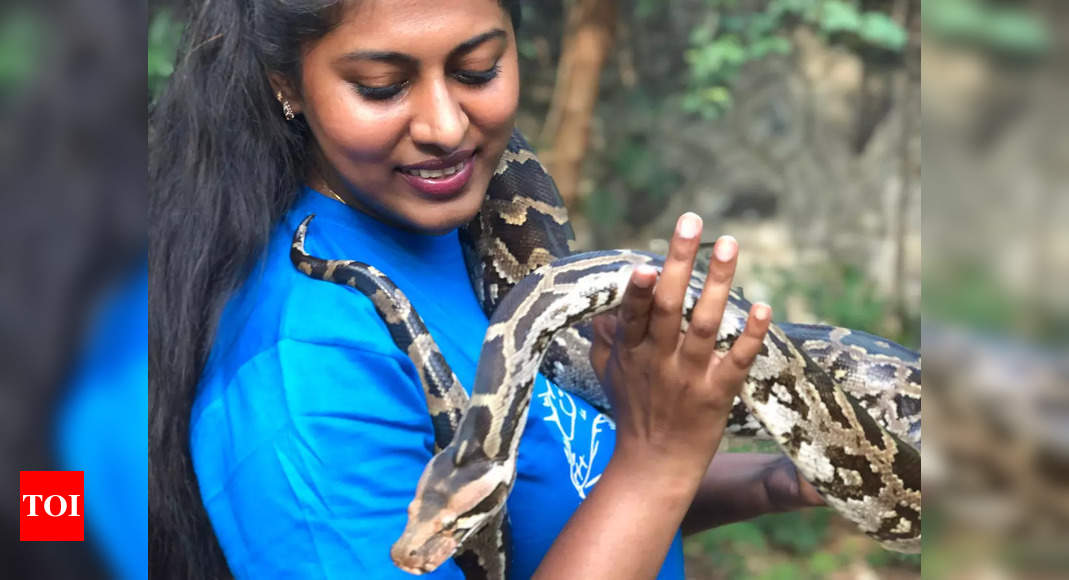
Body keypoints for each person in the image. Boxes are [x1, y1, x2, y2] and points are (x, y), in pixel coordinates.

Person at [149, 1, 825, 578]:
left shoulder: (458, 235)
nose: (445, 127)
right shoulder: (306, 375)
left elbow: (553, 486)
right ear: (285, 86)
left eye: (477, 70)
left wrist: (763, 480)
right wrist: (658, 461)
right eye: (383, 86)